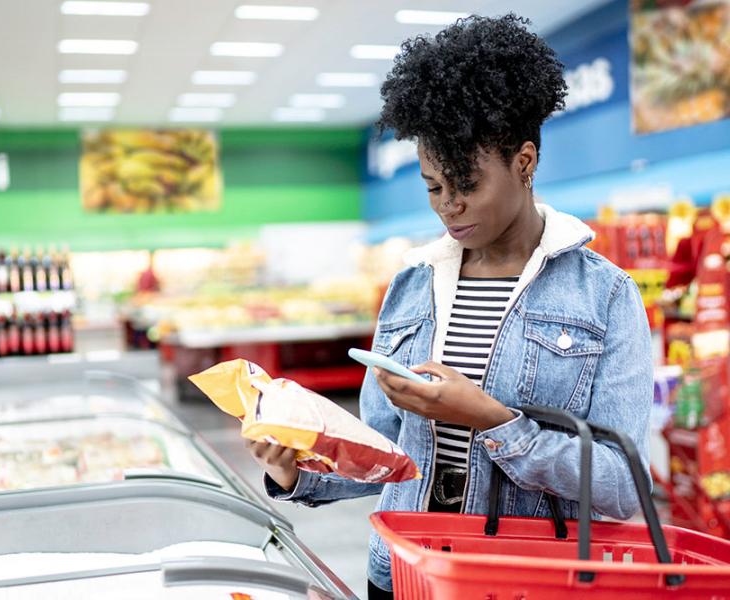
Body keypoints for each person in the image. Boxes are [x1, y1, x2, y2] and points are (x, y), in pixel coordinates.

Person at [246, 14, 652, 599]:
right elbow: (385, 457)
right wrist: (294, 463)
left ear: (524, 162)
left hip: (523, 580)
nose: (449, 207)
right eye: (434, 186)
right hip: (403, 572)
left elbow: (621, 488)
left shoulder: (605, 296)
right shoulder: (412, 286)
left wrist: (492, 420)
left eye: (467, 185)